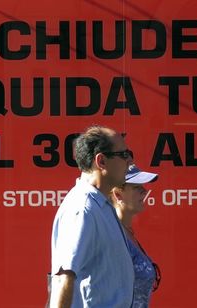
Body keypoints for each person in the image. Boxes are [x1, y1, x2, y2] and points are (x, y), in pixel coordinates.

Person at [50, 125, 135, 308]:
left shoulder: (101, 205)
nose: (130, 162)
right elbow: (63, 278)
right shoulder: (83, 209)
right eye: (124, 155)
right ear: (101, 161)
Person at [110, 164, 162, 308]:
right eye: (136, 187)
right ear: (118, 194)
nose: (144, 192)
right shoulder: (112, 236)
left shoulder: (126, 232)